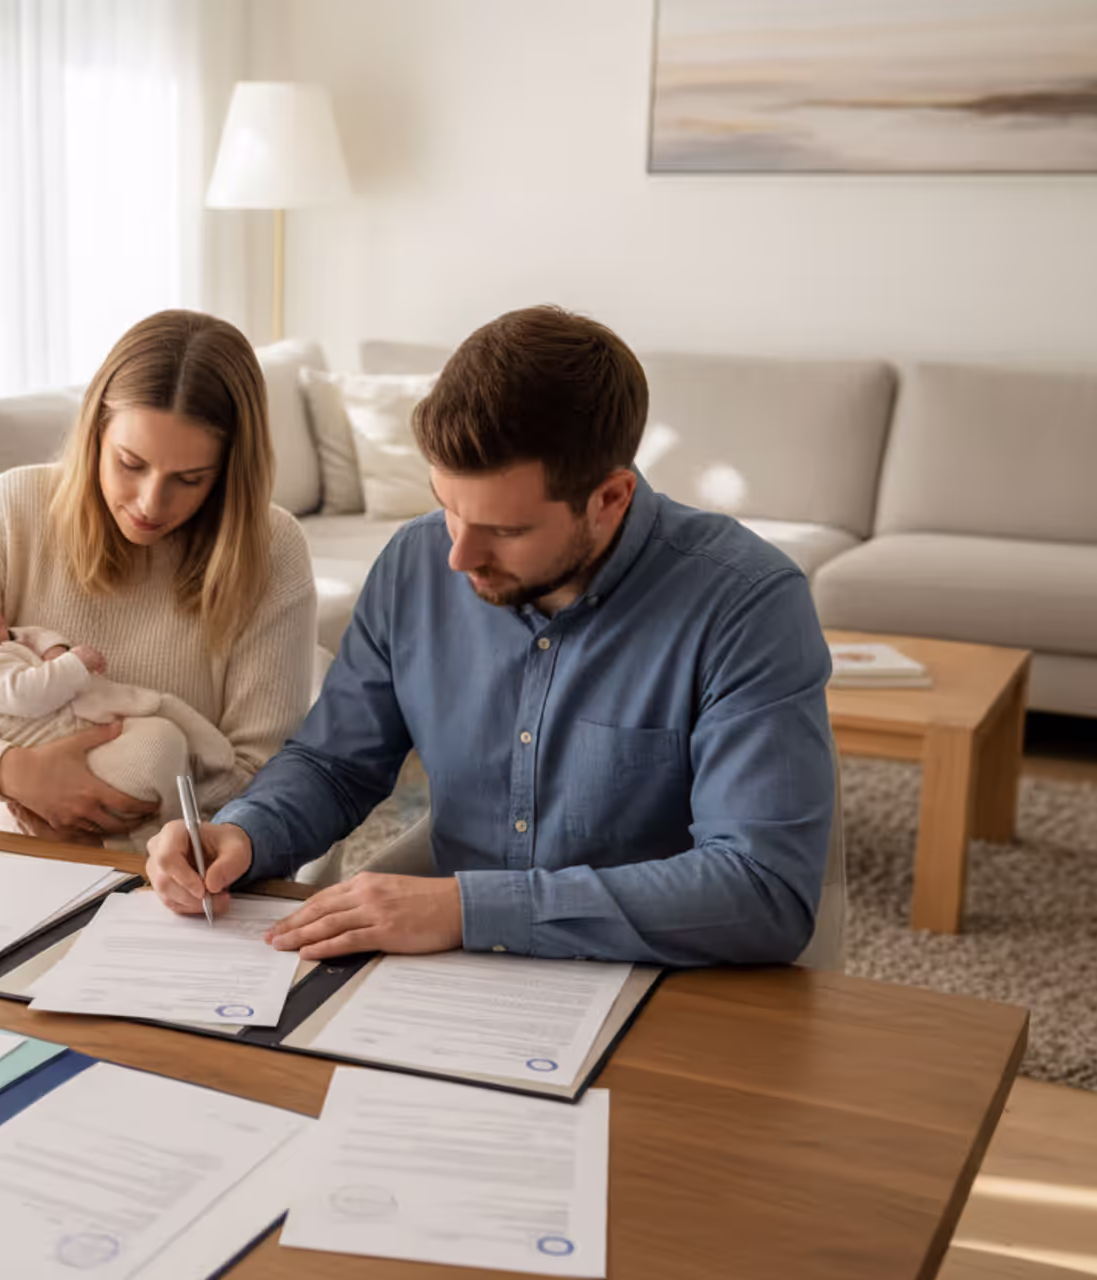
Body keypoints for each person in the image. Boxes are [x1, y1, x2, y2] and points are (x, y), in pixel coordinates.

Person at [146, 305, 835, 967]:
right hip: (453, 971)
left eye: (505, 531)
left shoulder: (746, 604)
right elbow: (336, 763)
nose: (458, 557)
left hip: (658, 981)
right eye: (447, 507)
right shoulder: (415, 564)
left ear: (610, 499)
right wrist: (242, 830)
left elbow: (762, 888)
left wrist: (470, 910)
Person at [0, 309, 318, 848]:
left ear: (231, 469)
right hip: (8, 855)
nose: (150, 503)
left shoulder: (273, 549)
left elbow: (261, 771)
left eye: (189, 479)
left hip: (175, 875)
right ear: (96, 430)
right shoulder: (14, 509)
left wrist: (122, 832)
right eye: (130, 463)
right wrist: (12, 772)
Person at [0, 581, 236, 837]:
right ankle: (179, 822)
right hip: (66, 774)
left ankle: (195, 806)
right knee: (161, 739)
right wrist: (73, 663)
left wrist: (53, 648)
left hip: (84, 755)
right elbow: (28, 692)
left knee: (164, 721)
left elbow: (30, 634)